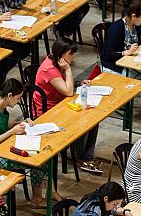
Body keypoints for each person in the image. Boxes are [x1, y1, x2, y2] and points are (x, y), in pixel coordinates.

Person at [0, 78, 51, 209]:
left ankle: (45, 195)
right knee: (36, 162)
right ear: (9, 95)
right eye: (18, 98)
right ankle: (37, 199)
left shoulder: (0, 106)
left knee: (41, 157)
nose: (19, 101)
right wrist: (12, 132)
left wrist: (20, 124)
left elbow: (1, 125)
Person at [33, 36, 101, 175]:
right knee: (83, 120)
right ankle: (80, 157)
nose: (73, 56)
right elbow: (68, 92)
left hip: (60, 103)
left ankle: (86, 157)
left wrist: (78, 83)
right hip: (48, 110)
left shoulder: (56, 62)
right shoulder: (49, 69)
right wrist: (68, 70)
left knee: (94, 118)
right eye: (70, 53)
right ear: (61, 54)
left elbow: (63, 85)